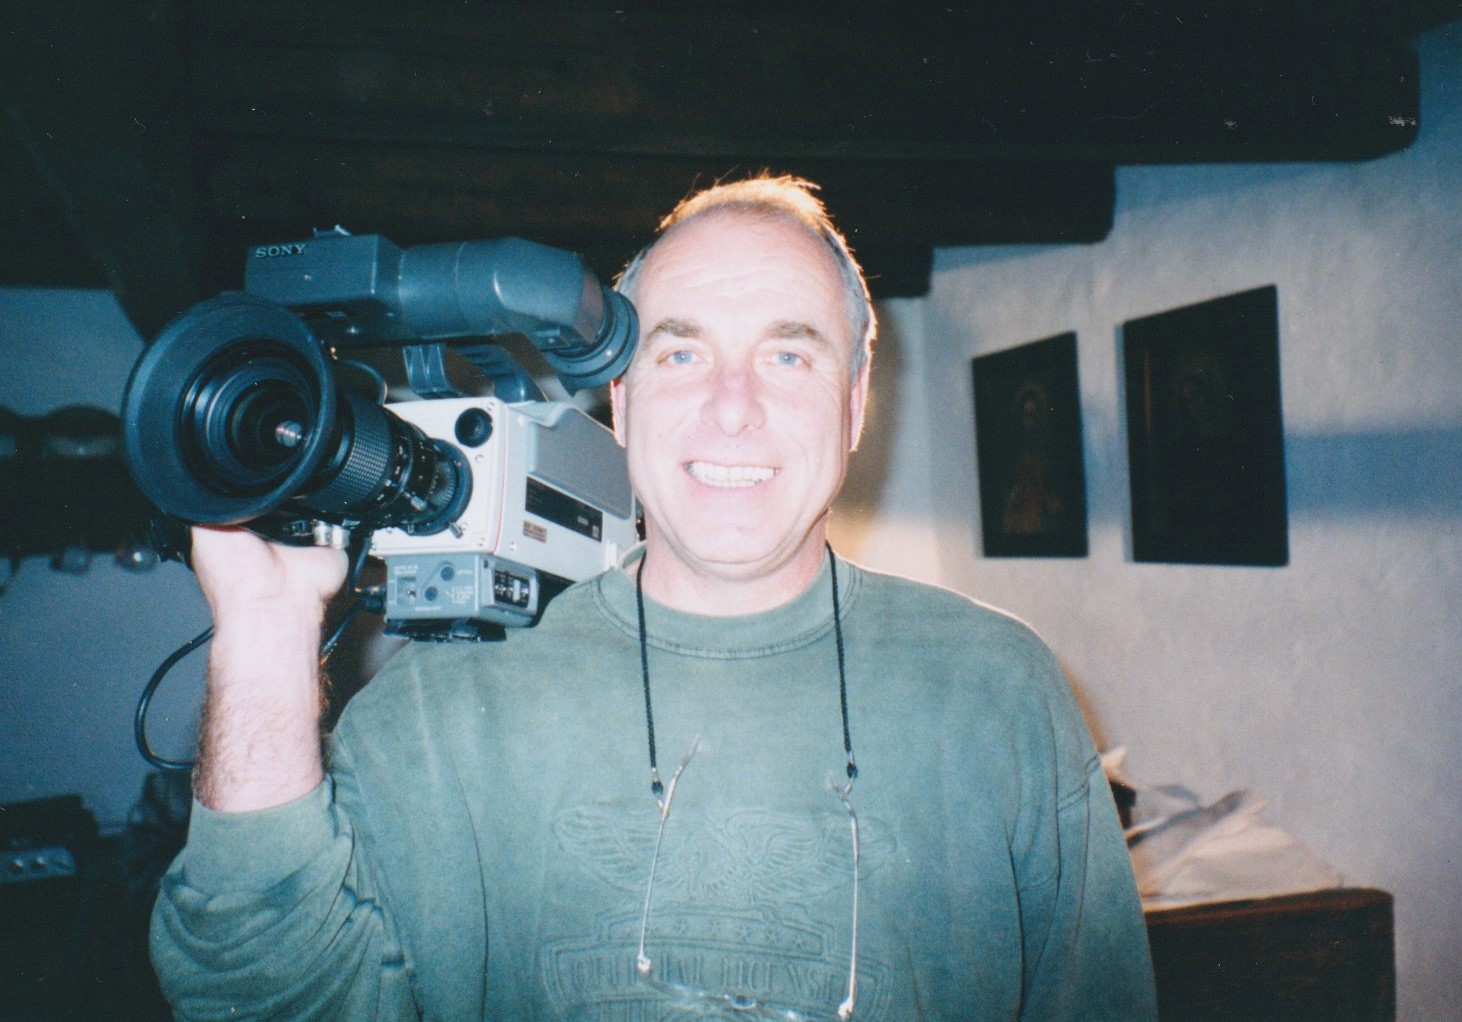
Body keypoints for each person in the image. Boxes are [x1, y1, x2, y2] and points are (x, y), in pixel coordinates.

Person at [151, 175, 1157, 1020]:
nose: (733, 408)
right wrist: (265, 635)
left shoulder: (997, 687)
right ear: (621, 403)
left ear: (854, 403)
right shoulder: (442, 705)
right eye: (680, 353)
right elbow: (254, 994)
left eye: (788, 353)